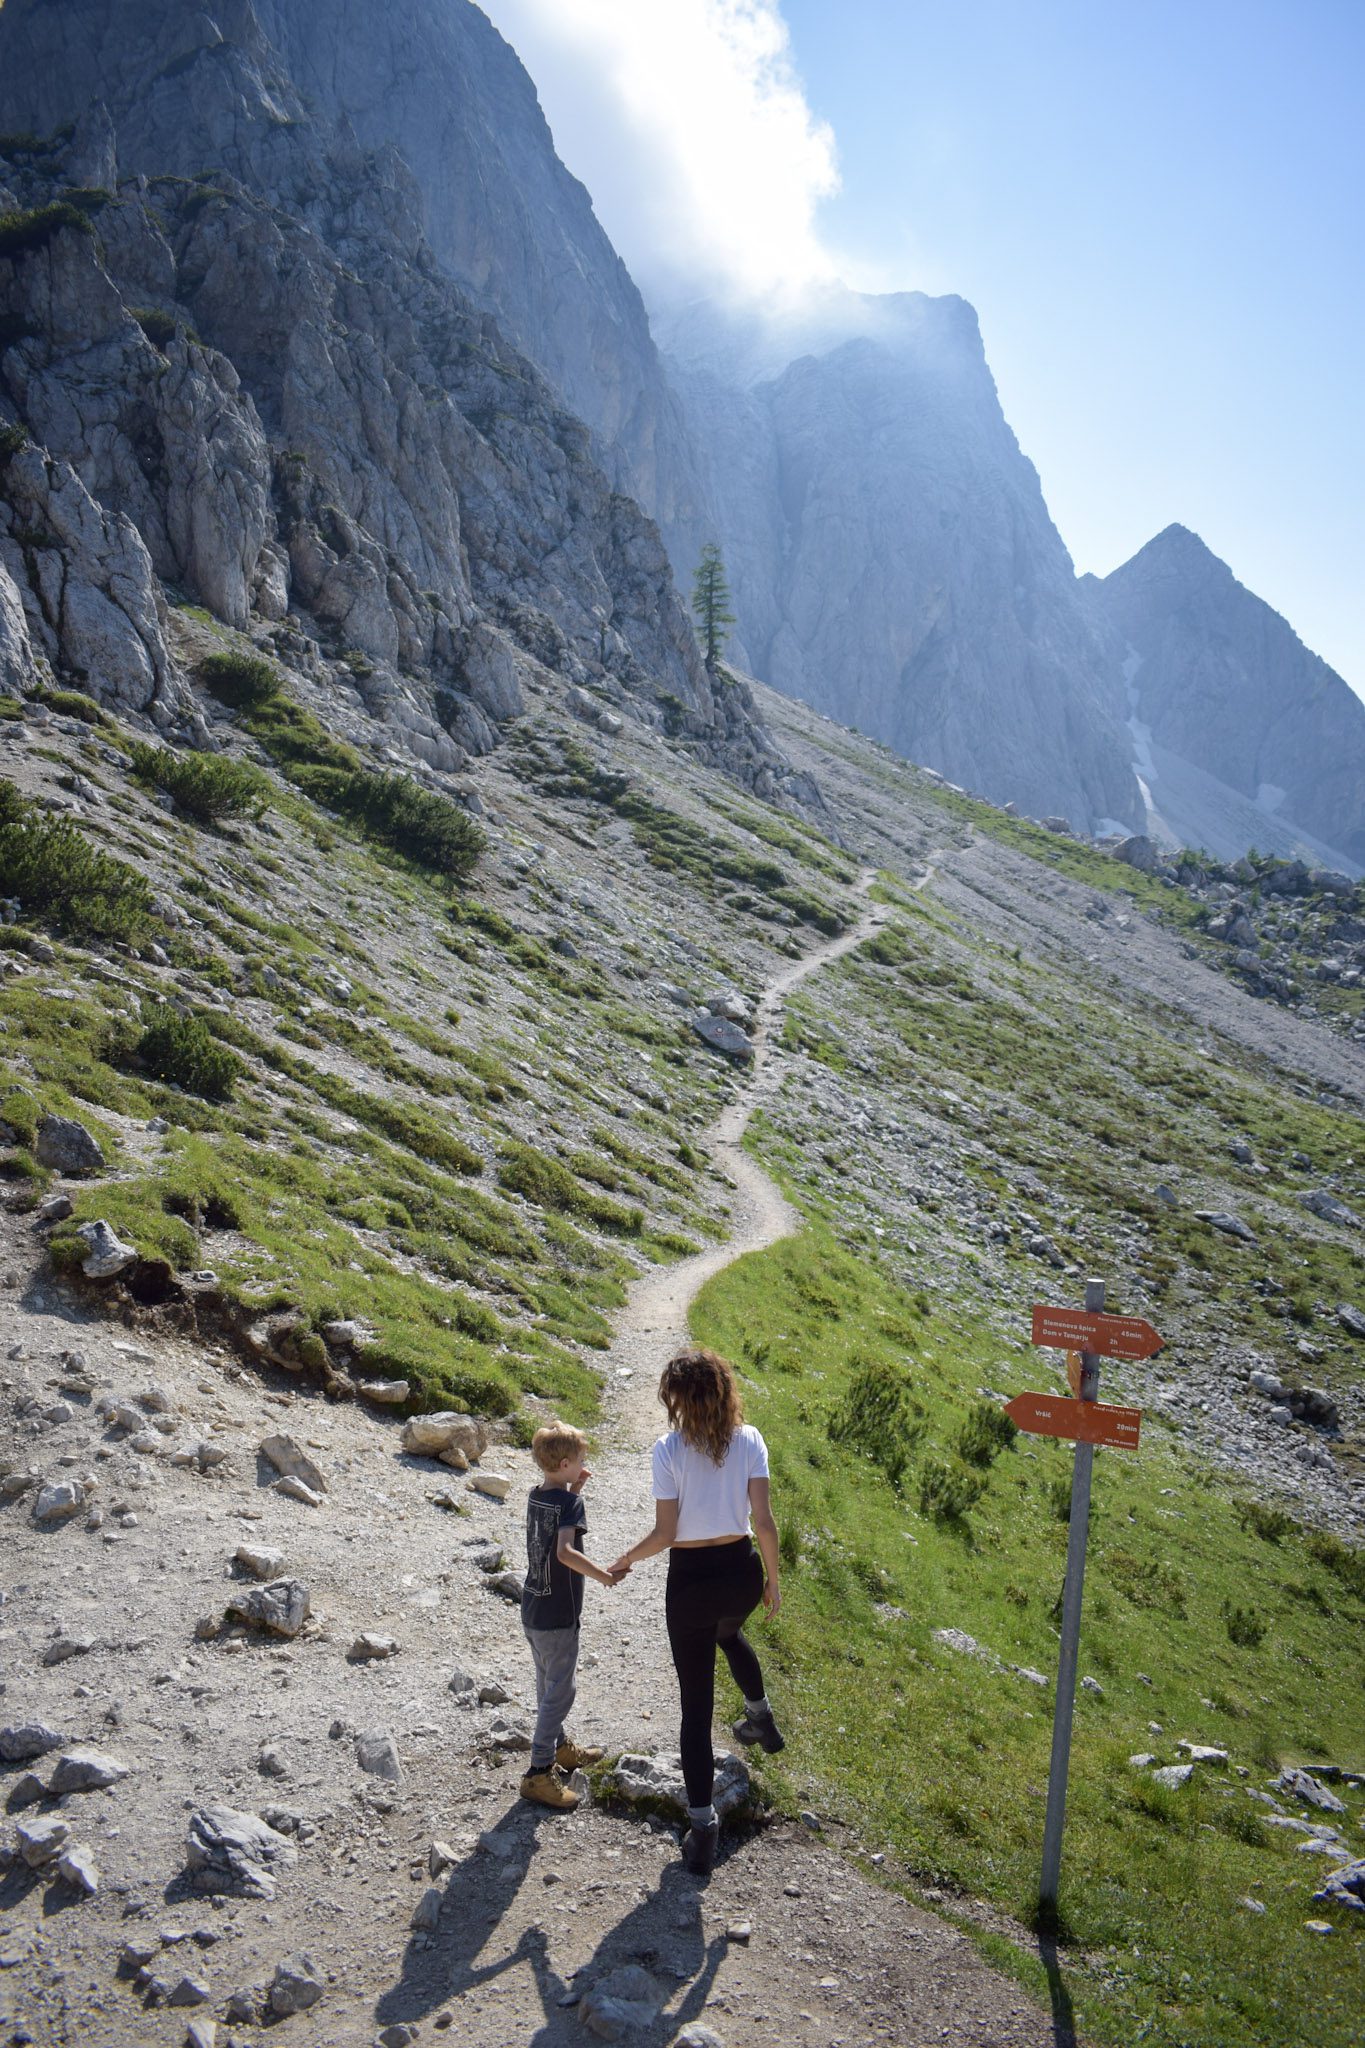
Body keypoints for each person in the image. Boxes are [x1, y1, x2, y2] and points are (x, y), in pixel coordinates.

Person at [610, 1347, 783, 1874]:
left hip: (691, 1582)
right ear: (724, 1390)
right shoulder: (750, 1439)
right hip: (741, 1575)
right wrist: (773, 1581)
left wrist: (627, 1558)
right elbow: (764, 1521)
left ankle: (703, 1828)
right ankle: (761, 1718)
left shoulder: (668, 1450)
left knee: (696, 1710)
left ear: (677, 1399)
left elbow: (666, 1534)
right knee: (728, 1634)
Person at [519, 1422, 621, 1811]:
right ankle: (539, 1771)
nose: (583, 1465)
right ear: (565, 1464)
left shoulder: (537, 1495)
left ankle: (560, 1747)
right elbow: (564, 1552)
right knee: (561, 1691)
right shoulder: (570, 1505)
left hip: (532, 1607)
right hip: (559, 1614)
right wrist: (604, 1576)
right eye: (580, 1460)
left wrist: (573, 1489)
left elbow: (549, 1529)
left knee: (546, 1684)